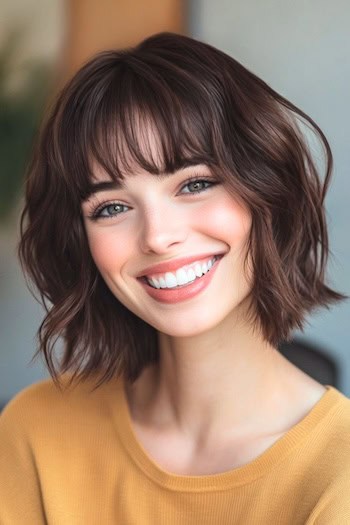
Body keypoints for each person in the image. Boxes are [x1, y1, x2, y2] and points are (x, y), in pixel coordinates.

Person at [0, 32, 349, 524]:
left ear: (267, 192)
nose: (158, 237)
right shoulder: (35, 431)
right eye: (113, 207)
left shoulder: (338, 471)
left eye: (195, 183)